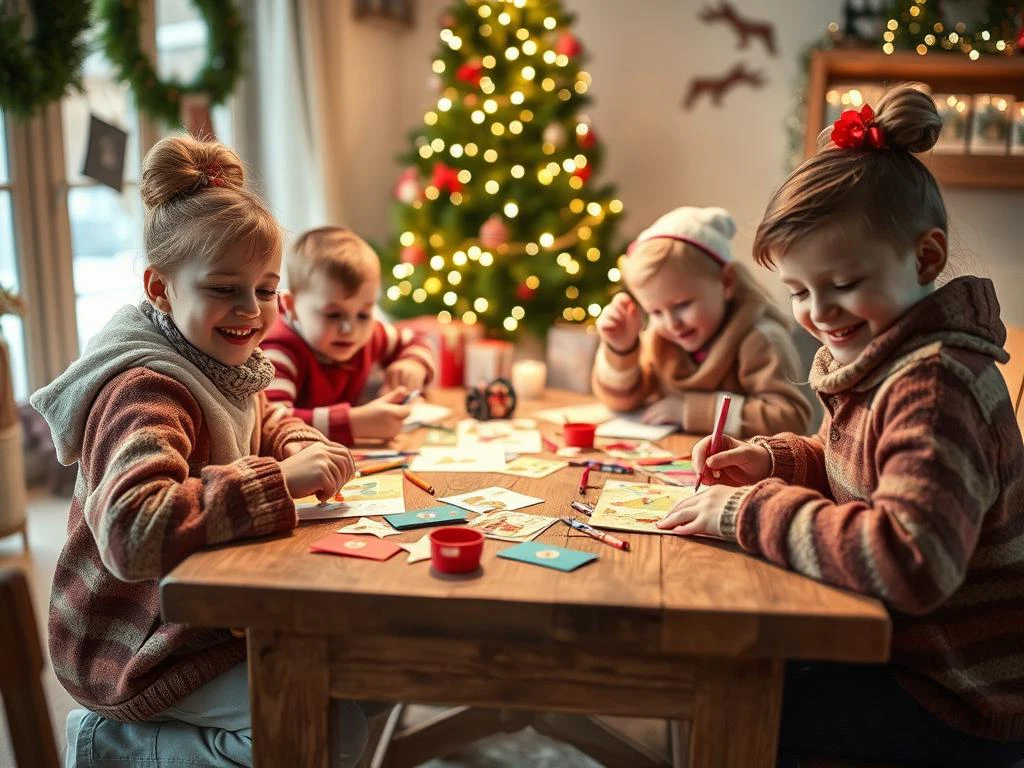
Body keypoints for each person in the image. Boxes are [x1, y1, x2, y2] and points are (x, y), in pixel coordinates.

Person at [658, 85, 1024, 767]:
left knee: (731, 697)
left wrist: (748, 507)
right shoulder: (882, 355)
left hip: (952, 699)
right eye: (798, 291)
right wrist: (776, 462)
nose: (819, 312)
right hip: (897, 654)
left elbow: (909, 562)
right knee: (729, 666)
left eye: (844, 283)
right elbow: (847, 462)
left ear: (925, 259)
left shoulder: (936, 384)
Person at [31, 135, 369, 767]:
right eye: (224, 289)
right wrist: (278, 482)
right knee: (327, 724)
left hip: (205, 610)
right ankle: (113, 747)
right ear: (160, 289)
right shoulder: (146, 389)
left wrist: (304, 445)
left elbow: (265, 423)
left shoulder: (218, 361)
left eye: (266, 290)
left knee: (359, 673)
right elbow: (133, 530)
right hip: (134, 643)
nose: (250, 311)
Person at [591, 206, 811, 438]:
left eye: (682, 305)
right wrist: (621, 348)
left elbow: (790, 418)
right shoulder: (661, 338)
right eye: (655, 312)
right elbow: (621, 402)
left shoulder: (761, 338)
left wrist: (690, 410)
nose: (671, 323)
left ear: (727, 282)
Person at [262, 226, 437, 443]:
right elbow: (271, 421)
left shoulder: (368, 334)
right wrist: (354, 423)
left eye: (363, 314)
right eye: (333, 315)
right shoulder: (278, 350)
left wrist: (413, 365)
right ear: (292, 306)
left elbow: (417, 341)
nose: (350, 329)